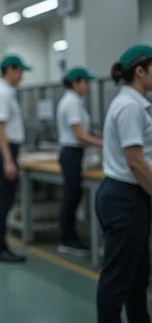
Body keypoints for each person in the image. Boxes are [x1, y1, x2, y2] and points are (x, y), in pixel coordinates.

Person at [96, 45, 152, 323]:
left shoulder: (135, 103)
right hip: (125, 199)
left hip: (131, 196)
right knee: (117, 280)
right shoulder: (131, 106)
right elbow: (135, 160)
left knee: (138, 276)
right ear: (140, 71)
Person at [0, 54, 31, 264]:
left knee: (1, 201)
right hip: (4, 149)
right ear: (10, 70)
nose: (21, 75)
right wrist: (9, 160)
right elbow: (0, 128)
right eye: (20, 70)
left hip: (3, 149)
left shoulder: (4, 92)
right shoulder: (2, 94)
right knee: (3, 202)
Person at [55, 67, 103, 257]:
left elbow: (83, 132)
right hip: (72, 153)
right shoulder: (72, 102)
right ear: (76, 83)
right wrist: (103, 144)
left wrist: (98, 136)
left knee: (72, 198)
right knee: (71, 199)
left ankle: (69, 236)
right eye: (86, 82)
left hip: (73, 153)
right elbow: (80, 136)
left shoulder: (73, 101)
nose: (88, 86)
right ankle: (67, 239)